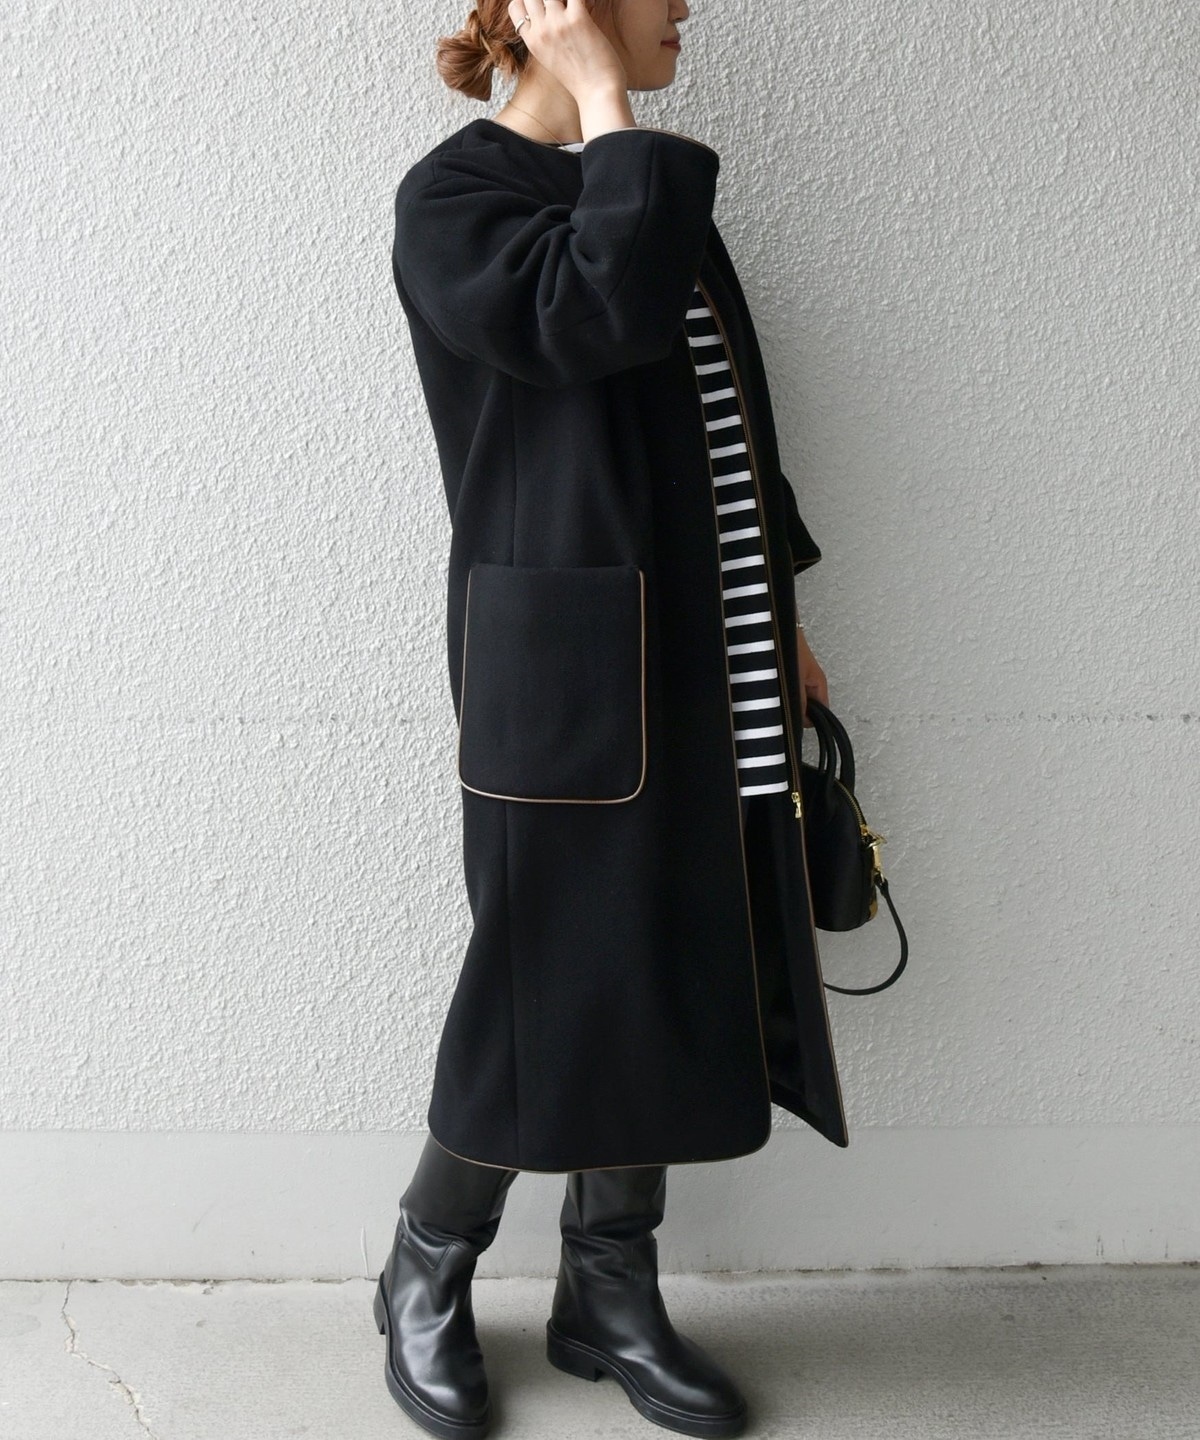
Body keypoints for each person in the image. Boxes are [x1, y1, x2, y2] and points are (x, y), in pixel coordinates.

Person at [378, 1, 850, 1436]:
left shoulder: (640, 187)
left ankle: (608, 1285)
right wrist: (600, 106)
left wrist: (781, 611)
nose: (686, 7)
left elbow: (725, 420)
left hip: (712, 646)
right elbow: (589, 321)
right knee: (544, 977)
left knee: (672, 954)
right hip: (569, 671)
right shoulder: (456, 198)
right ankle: (425, 1264)